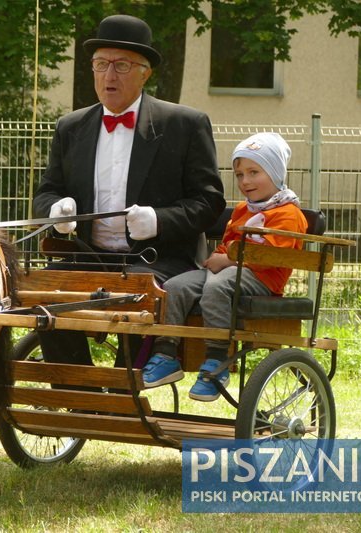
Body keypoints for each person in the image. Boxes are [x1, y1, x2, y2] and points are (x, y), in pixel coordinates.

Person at [32, 14, 225, 367]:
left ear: (145, 72)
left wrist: (159, 221)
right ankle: (79, 397)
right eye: (100, 64)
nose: (109, 75)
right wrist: (56, 210)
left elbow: (209, 202)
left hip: (158, 260)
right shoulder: (71, 127)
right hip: (87, 256)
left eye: (121, 65)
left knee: (135, 295)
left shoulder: (184, 124)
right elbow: (47, 191)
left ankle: (123, 393)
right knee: (44, 293)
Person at [142, 132, 308, 401]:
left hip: (262, 278)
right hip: (230, 271)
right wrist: (217, 258)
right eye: (240, 174)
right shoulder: (244, 210)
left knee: (218, 286)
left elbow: (271, 254)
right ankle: (165, 352)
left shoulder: (288, 214)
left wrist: (228, 260)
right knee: (174, 286)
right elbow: (228, 242)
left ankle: (217, 362)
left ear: (275, 172)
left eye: (254, 172)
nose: (246, 181)